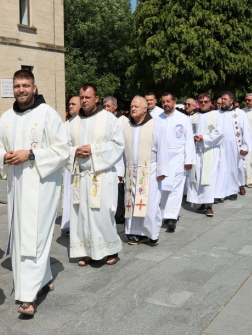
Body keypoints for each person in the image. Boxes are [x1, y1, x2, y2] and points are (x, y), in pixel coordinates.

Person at [0, 69, 69, 316]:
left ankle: (27, 296)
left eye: (25, 85)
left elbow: (63, 150)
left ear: (34, 88)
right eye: (17, 86)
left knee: (34, 236)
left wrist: (31, 154)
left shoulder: (48, 115)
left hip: (41, 187)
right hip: (16, 188)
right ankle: (43, 279)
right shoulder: (6, 118)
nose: (21, 90)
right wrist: (3, 155)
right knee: (23, 238)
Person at [66, 84, 124, 267]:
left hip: (101, 175)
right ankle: (87, 251)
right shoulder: (73, 122)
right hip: (81, 176)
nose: (84, 100)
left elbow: (118, 145)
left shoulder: (109, 119)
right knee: (82, 215)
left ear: (96, 98)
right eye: (81, 97)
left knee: (102, 214)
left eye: (88, 97)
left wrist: (93, 150)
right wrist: (75, 152)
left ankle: (110, 249)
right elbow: (63, 147)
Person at [124, 96, 168, 245]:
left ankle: (152, 233)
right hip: (131, 171)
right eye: (131, 106)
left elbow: (162, 147)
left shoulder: (155, 125)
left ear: (145, 109)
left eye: (136, 106)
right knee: (131, 202)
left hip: (150, 171)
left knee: (149, 204)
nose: (133, 108)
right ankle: (134, 232)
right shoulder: (127, 126)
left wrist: (162, 170)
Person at [159, 92, 195, 232]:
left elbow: (189, 140)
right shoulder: (158, 119)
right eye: (163, 102)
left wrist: (189, 159)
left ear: (174, 102)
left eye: (168, 101)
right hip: (162, 158)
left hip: (178, 157)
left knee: (176, 187)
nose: (166, 104)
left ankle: (172, 217)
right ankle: (162, 214)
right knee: (162, 187)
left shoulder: (184, 118)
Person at [187, 93, 224, 217]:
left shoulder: (217, 115)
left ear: (210, 102)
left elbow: (220, 133)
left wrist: (204, 137)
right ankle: (200, 202)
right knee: (197, 177)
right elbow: (188, 132)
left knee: (209, 177)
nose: (203, 103)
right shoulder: (194, 116)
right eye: (201, 101)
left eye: (206, 101)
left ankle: (209, 205)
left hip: (210, 151)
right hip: (196, 151)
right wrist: (194, 137)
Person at [214, 91, 252, 202]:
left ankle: (232, 191)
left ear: (232, 101)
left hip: (234, 146)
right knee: (219, 169)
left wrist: (245, 147)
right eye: (222, 99)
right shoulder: (217, 113)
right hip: (219, 146)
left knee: (232, 169)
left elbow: (246, 130)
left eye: (225, 99)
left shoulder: (240, 113)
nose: (222, 101)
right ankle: (219, 193)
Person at [61, 96, 81, 234]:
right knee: (68, 194)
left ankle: (78, 222)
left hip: (80, 165)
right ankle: (68, 222)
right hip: (68, 166)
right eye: (69, 104)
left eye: (74, 104)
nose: (70, 106)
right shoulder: (65, 124)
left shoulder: (84, 122)